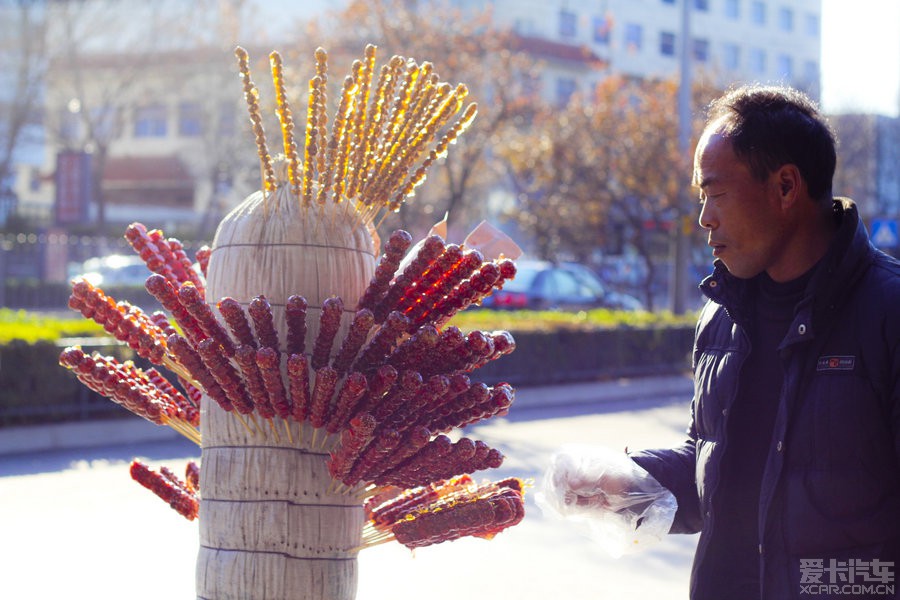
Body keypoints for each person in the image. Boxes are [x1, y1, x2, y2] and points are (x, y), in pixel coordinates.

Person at [565, 85, 900, 599]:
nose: (705, 218)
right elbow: (714, 464)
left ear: (786, 187)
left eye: (715, 193)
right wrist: (625, 481)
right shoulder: (721, 316)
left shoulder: (887, 312)